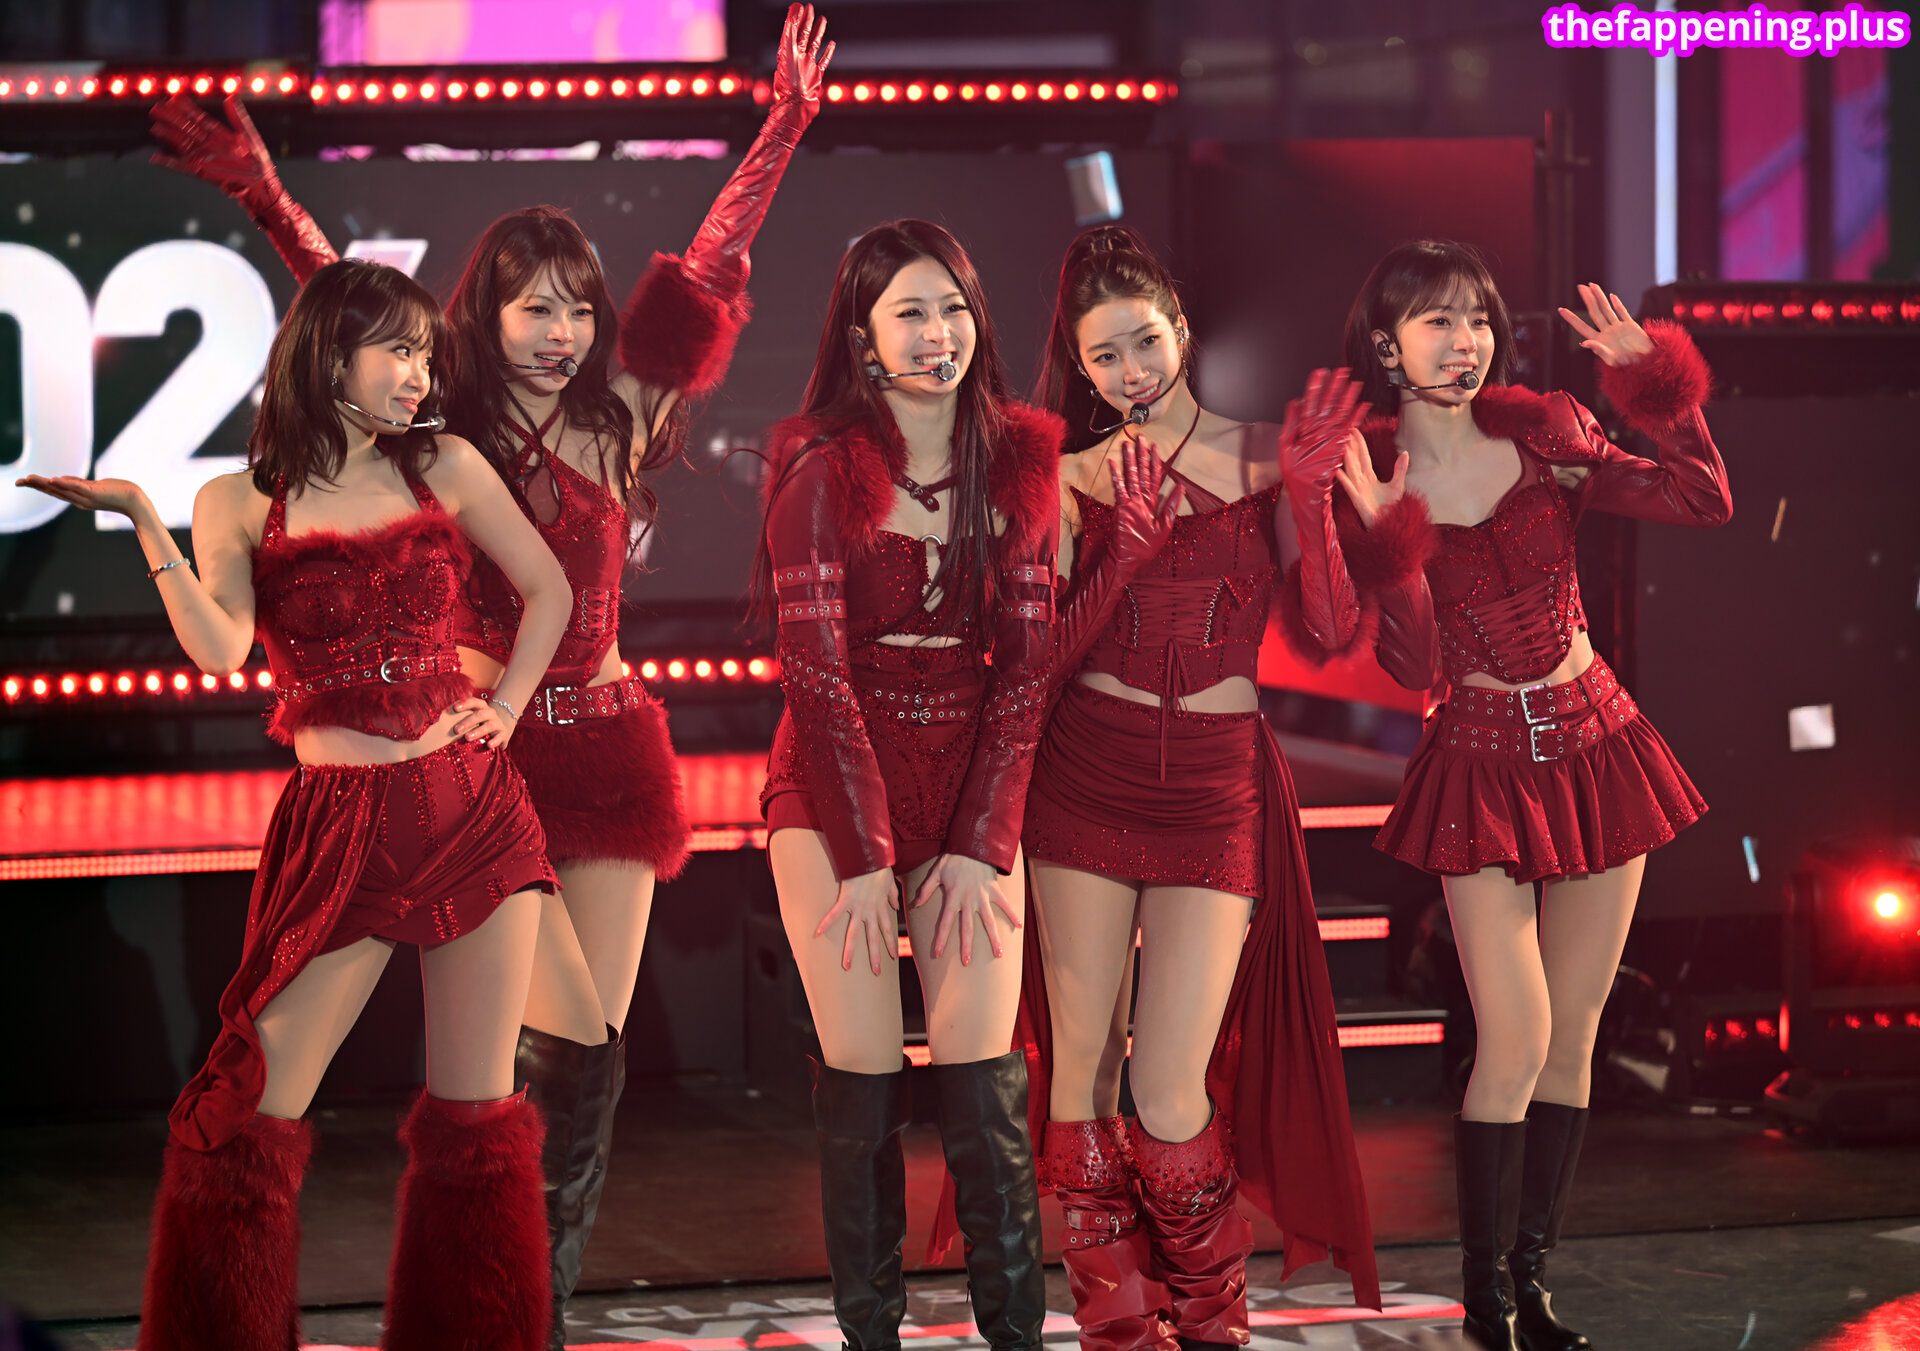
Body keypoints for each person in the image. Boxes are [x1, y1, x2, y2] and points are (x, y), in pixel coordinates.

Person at [151, 10, 833, 1339]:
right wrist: (271, 201)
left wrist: (783, 127)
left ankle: (535, 1304)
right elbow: (346, 311)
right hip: (475, 751)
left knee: (582, 1054)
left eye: (580, 308)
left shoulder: (620, 418)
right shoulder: (436, 424)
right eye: (536, 307)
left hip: (610, 745)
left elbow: (707, 271)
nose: (563, 331)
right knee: (506, 1054)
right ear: (486, 313)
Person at [20, 258, 573, 1350]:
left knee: (479, 1120)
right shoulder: (237, 501)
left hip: (473, 811)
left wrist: (507, 706)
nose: (420, 376)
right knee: (250, 1106)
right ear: (328, 356)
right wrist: (146, 522)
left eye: (426, 355)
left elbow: (549, 587)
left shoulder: (446, 467)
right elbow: (222, 648)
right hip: (342, 829)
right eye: (398, 351)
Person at [1324, 240, 1731, 1351]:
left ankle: (1531, 1285)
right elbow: (1414, 666)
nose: (1465, 343)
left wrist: (1655, 388)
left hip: (1599, 743)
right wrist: (1389, 538)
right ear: (1386, 347)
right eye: (1438, 322)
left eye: (1478, 320)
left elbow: (1702, 496)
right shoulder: (1372, 477)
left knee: (1572, 1036)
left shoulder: (1546, 428)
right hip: (1480, 761)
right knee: (1515, 1036)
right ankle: (1484, 1302)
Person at [1018, 225, 1397, 1350]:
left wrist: (1316, 501)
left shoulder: (1269, 457)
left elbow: (1330, 631)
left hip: (1215, 784)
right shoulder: (1069, 477)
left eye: (1145, 341)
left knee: (1171, 1084)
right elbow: (1040, 661)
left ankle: (1212, 1323)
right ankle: (1120, 1333)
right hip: (1086, 773)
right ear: (1081, 368)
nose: (1130, 369)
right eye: (1104, 356)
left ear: (1182, 329)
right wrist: (1118, 551)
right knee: (1082, 1076)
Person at [754, 219, 1063, 1351]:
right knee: (866, 1067)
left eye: (955, 308)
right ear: (864, 339)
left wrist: (981, 842)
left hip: (968, 775)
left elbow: (1026, 672)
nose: (941, 334)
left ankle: (1015, 1333)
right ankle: (871, 1334)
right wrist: (866, 857)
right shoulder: (820, 471)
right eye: (911, 314)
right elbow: (816, 678)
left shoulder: (1018, 464)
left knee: (986, 1075)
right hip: (834, 786)